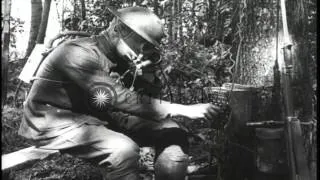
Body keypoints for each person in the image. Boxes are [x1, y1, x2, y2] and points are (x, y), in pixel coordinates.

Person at [18, 6, 220, 180]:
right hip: (52, 122)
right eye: (141, 42)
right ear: (118, 30)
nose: (144, 50)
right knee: (122, 150)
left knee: (172, 131)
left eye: (149, 47)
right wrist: (182, 109)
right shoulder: (77, 52)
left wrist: (149, 74)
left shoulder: (123, 58)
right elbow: (119, 98)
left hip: (96, 115)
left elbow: (145, 103)